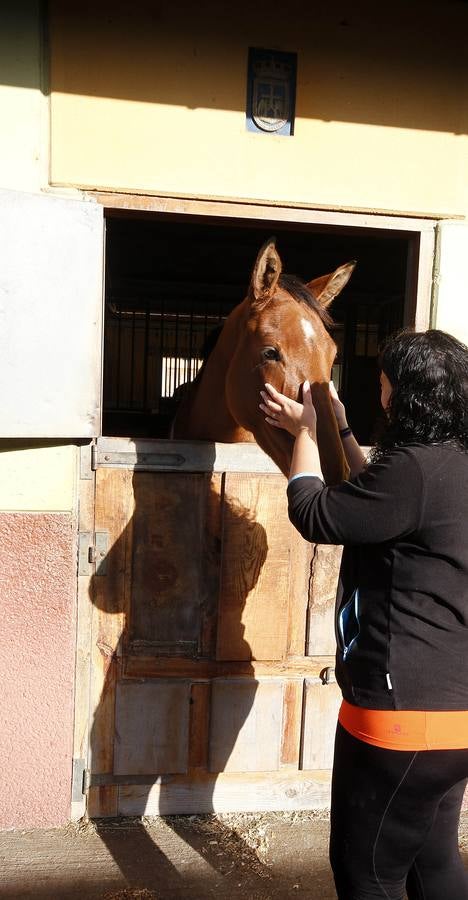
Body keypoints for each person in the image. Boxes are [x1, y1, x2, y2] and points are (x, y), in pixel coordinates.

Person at [259, 329, 468, 900]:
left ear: (400, 396)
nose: (380, 393)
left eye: (383, 383)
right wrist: (342, 430)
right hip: (455, 721)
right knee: (434, 860)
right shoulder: (448, 466)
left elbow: (316, 513)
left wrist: (304, 434)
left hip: (398, 720)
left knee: (369, 875)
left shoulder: (416, 471)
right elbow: (377, 498)